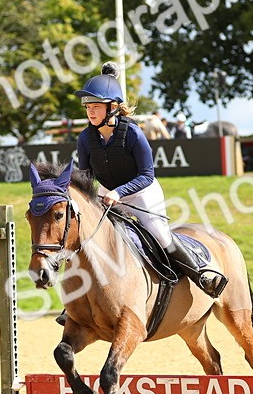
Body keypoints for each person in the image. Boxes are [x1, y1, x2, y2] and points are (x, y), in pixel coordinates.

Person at [70, 62, 225, 300]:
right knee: (91, 236)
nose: (91, 112)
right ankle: (78, 302)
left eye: (96, 107)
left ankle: (201, 274)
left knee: (159, 232)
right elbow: (86, 176)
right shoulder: (85, 138)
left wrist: (119, 193)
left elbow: (146, 175)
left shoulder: (132, 133)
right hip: (107, 193)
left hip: (141, 191)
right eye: (88, 107)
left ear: (112, 107)